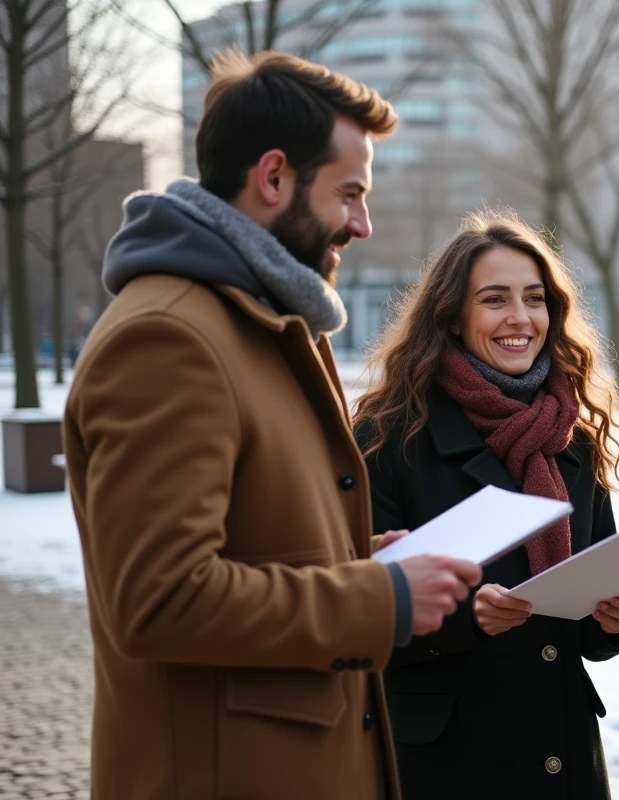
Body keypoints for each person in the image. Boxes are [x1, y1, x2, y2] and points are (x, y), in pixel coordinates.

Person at [62, 51, 481, 800]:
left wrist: (355, 556)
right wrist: (379, 598)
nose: (362, 222)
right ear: (274, 177)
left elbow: (249, 538)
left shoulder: (262, 320)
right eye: (349, 193)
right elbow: (161, 599)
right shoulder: (170, 338)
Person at [353, 209, 619, 799]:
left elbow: (589, 627)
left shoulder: (574, 436)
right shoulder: (388, 437)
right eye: (494, 299)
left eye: (535, 298)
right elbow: (353, 613)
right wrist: (468, 618)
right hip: (446, 761)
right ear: (452, 317)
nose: (521, 318)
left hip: (560, 754)